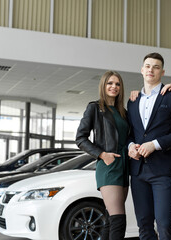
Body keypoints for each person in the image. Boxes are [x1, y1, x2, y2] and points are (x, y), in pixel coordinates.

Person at [127, 52, 171, 240]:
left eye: (155, 67)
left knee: (164, 223)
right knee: (144, 225)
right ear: (141, 70)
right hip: (137, 172)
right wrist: (130, 145)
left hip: (162, 171)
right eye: (147, 66)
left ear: (162, 72)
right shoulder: (132, 101)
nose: (151, 70)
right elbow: (129, 132)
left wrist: (155, 144)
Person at [76, 70, 129, 240]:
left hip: (124, 166)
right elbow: (80, 138)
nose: (114, 87)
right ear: (103, 86)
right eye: (110, 83)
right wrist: (102, 154)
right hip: (108, 165)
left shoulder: (123, 112)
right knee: (118, 219)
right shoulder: (95, 108)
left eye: (117, 84)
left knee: (110, 219)